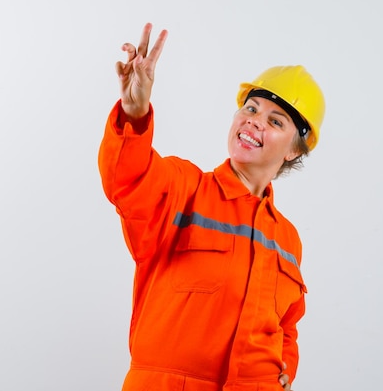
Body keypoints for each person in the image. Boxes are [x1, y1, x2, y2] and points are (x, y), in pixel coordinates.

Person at [98, 23, 325, 391]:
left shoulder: (287, 239)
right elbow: (127, 179)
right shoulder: (183, 189)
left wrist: (285, 368)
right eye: (251, 108)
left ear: (294, 150)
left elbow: (287, 325)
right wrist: (133, 115)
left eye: (275, 120)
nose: (254, 120)